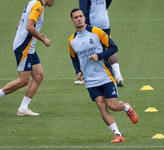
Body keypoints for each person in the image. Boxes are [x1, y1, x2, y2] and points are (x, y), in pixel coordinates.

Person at [69, 8, 138, 143]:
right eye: (76, 17)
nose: (79, 19)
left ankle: (126, 107)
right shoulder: (72, 40)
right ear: (72, 21)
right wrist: (78, 71)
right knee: (101, 106)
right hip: (90, 80)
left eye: (80, 16)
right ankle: (118, 134)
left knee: (112, 106)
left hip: (105, 76)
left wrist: (99, 56)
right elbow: (74, 58)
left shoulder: (96, 32)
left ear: (84, 18)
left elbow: (113, 48)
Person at [0, 0, 56, 116]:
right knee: (23, 80)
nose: (55, 1)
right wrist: (43, 40)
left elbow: (19, 25)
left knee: (38, 76)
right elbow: (29, 27)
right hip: (24, 47)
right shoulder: (38, 6)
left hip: (29, 47)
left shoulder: (33, 3)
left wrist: (38, 35)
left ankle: (23, 108)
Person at [75, 0, 123, 87]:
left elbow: (82, 9)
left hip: (92, 22)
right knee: (108, 47)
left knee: (87, 48)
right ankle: (118, 75)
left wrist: (84, 22)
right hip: (104, 21)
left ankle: (86, 77)